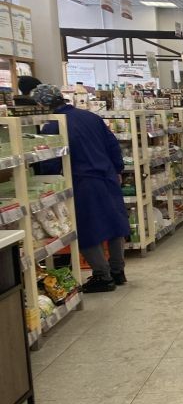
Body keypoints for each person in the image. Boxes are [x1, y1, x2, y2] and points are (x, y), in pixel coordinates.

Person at [30, 84, 130, 293]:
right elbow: (112, 144)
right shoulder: (91, 117)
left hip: (83, 181)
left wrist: (47, 181)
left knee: (87, 228)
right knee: (115, 222)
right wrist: (118, 169)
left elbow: (50, 160)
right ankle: (118, 271)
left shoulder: (53, 125)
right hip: (107, 176)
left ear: (41, 104)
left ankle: (103, 276)